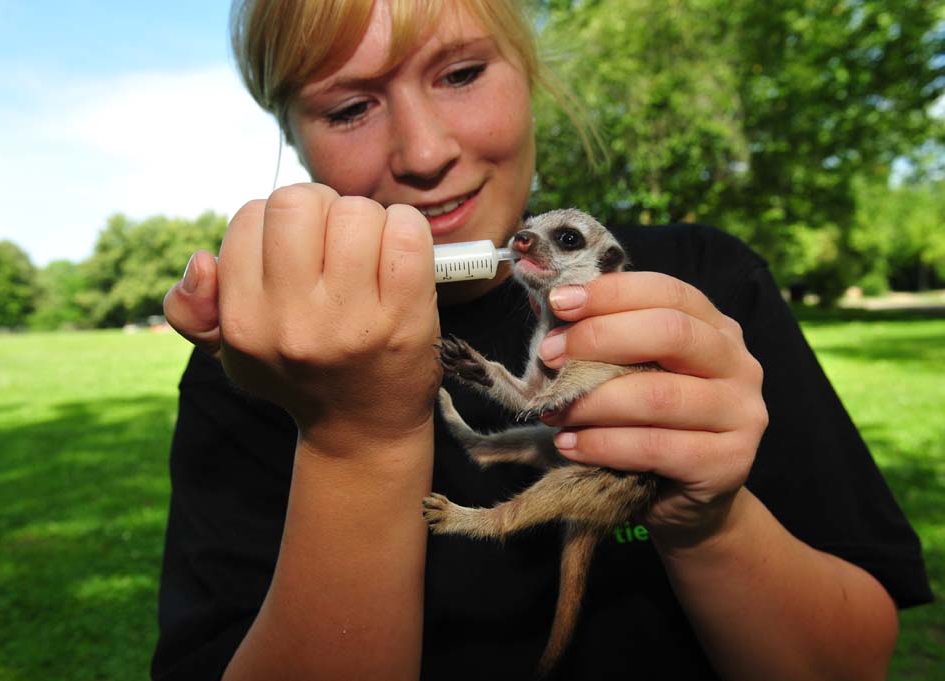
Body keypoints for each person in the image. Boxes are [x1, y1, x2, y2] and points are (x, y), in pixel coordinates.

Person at [151, 1, 932, 679]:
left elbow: (854, 661)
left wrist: (707, 519)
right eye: (351, 107)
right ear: (291, 136)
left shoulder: (708, 283)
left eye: (461, 73)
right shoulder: (252, 368)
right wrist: (351, 440)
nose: (424, 153)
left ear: (529, 71)